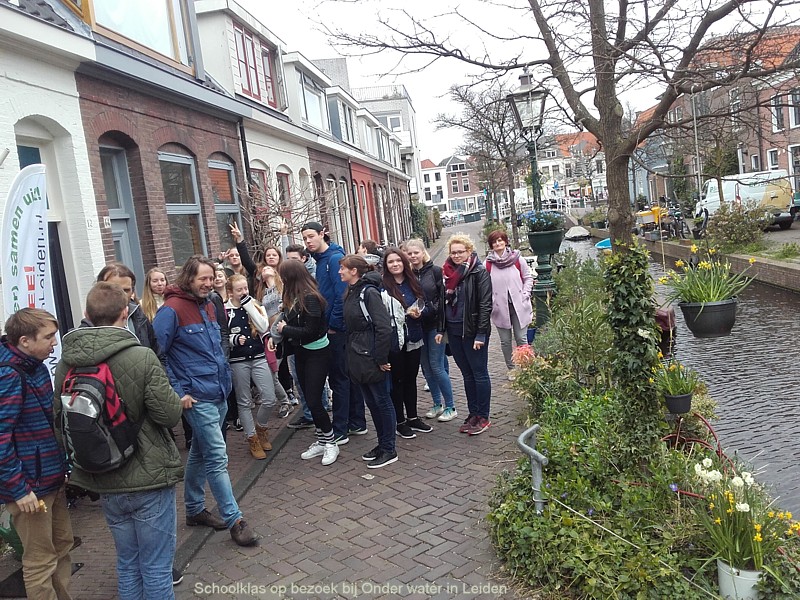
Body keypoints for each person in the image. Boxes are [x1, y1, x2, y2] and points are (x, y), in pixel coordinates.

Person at [54, 283, 183, 599]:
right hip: (149, 476)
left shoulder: (66, 363)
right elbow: (168, 416)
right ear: (126, 313)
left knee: (127, 563)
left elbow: (60, 422)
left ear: (87, 315)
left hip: (104, 475)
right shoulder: (141, 356)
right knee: (155, 567)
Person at [153, 255, 257, 546]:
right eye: (203, 279)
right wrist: (177, 391)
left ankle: (195, 510)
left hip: (218, 391)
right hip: (197, 398)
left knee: (199, 452)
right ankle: (235, 519)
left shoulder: (210, 305)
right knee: (216, 458)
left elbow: (217, 342)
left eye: (211, 278)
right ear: (189, 278)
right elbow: (156, 355)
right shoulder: (171, 311)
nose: (208, 283)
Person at [0, 308, 73, 600]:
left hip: (50, 479)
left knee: (63, 546)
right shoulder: (9, 376)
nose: (55, 343)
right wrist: (19, 489)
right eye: (49, 337)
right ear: (25, 341)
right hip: (30, 490)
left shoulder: (36, 365)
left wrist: (63, 467)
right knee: (40, 561)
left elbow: (49, 423)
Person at [302, 222, 367, 445]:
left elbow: (342, 296)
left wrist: (333, 324)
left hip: (336, 330)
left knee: (339, 379)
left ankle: (340, 429)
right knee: (347, 377)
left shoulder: (332, 260)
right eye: (305, 238)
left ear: (322, 234)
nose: (308, 241)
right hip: (334, 327)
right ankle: (357, 422)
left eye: (311, 236)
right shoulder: (321, 261)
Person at [272, 260, 338, 465]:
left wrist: (285, 329)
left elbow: (311, 331)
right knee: (308, 400)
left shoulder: (310, 298)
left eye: (283, 276)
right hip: (301, 353)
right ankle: (321, 440)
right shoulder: (292, 297)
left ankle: (331, 442)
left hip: (317, 353)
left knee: (315, 400)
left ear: (290, 277)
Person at [339, 254, 397, 468]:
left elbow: (383, 327)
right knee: (372, 402)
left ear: (354, 271)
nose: (340, 272)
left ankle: (390, 448)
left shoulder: (368, 293)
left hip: (369, 354)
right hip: (358, 354)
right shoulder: (351, 292)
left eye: (343, 268)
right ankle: (382, 444)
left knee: (382, 401)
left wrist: (381, 358)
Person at [225, 274, 287, 459]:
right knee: (244, 401)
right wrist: (233, 340)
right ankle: (251, 438)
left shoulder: (254, 305)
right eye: (239, 290)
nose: (244, 292)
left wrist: (248, 305)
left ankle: (261, 428)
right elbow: (220, 336)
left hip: (258, 356)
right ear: (230, 293)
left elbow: (262, 326)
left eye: (245, 288)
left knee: (269, 397)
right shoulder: (225, 311)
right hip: (238, 360)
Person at [436, 234, 493, 436]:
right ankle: (473, 413)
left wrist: (481, 334)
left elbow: (485, 305)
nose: (457, 255)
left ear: (469, 251)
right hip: (454, 329)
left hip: (472, 330)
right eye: (454, 252)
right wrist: (441, 329)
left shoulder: (479, 272)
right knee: (467, 374)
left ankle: (483, 416)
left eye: (461, 252)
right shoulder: (447, 272)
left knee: (479, 373)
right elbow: (442, 302)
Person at [381, 248, 432, 439]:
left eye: (398, 261)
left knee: (411, 378)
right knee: (397, 380)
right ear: (386, 266)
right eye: (390, 262)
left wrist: (420, 313)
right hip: (395, 341)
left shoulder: (413, 283)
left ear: (404, 263)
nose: (395, 264)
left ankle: (413, 417)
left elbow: (425, 305)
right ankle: (400, 421)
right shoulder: (383, 286)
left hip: (413, 336)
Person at [404, 239, 457, 423]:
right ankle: (437, 404)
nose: (413, 256)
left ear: (422, 252)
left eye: (415, 253)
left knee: (436, 365)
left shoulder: (435, 271)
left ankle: (451, 406)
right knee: (426, 368)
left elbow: (441, 300)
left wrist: (427, 312)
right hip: (418, 326)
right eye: (409, 254)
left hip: (435, 325)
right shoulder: (408, 274)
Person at [485, 230, 534, 377]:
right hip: (500, 308)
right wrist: (491, 302)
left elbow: (528, 277)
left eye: (500, 240)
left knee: (521, 338)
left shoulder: (518, 259)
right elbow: (484, 286)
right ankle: (512, 369)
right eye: (494, 241)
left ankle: (527, 368)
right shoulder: (487, 264)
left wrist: (525, 294)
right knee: (505, 341)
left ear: (506, 241)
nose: (498, 243)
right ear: (491, 245)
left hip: (519, 305)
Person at [96, 263, 160, 358]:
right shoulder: (90, 325)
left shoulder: (139, 316)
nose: (121, 295)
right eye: (114, 289)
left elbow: (158, 354)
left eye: (126, 290)